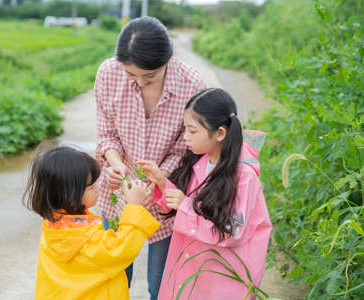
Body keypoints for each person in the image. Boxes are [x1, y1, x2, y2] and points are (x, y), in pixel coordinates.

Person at [94, 16, 206, 299]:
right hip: (118, 195)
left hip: (165, 200)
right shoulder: (108, 74)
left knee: (162, 286)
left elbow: (188, 148)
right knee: (115, 279)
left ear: (167, 60)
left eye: (150, 77)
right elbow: (106, 134)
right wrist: (117, 167)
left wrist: (158, 177)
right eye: (132, 76)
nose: (140, 83)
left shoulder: (191, 84)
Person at [138, 88, 272, 299]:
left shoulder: (243, 176)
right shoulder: (202, 161)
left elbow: (230, 231)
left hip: (224, 274)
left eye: (192, 131)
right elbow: (193, 203)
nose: (185, 137)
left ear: (220, 133)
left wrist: (185, 206)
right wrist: (163, 183)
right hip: (196, 266)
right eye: (185, 130)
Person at [23, 146, 160, 300]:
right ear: (70, 194)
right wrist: (134, 207)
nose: (98, 188)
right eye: (91, 186)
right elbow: (120, 251)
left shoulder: (54, 225)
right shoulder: (87, 238)